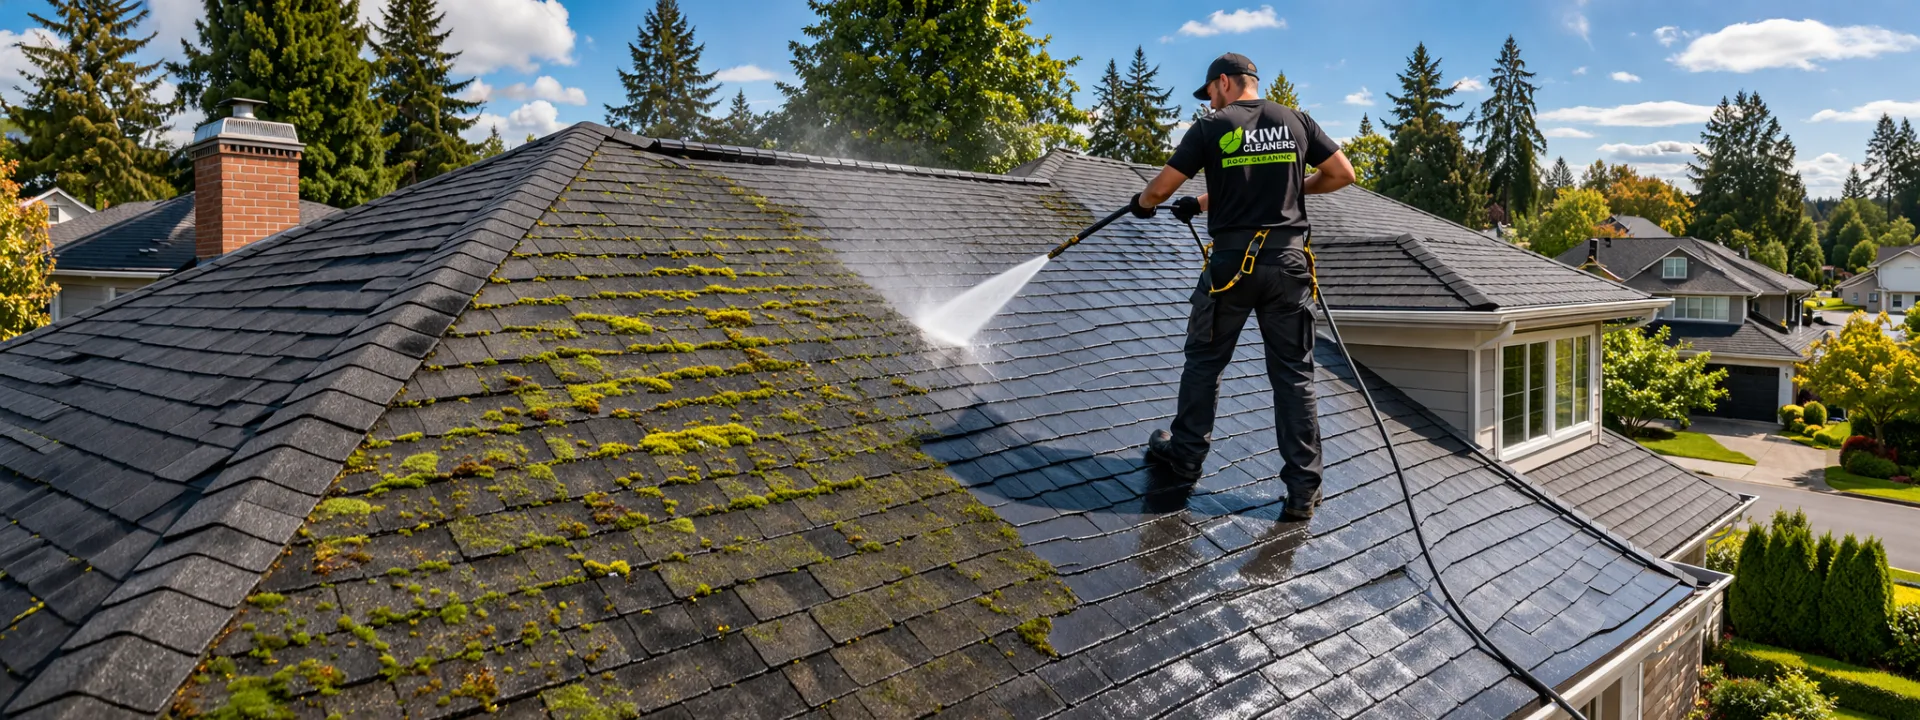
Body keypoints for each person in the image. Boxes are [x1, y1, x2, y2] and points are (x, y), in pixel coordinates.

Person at [1133, 52, 1355, 521]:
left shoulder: (1211, 128)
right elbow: (1341, 174)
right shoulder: (1296, 121)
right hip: (1288, 266)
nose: (1210, 102)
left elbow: (1157, 191)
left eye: (1210, 92)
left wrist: (1143, 202)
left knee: (1205, 360)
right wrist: (1209, 201)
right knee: (1294, 376)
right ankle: (1302, 490)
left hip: (1232, 266)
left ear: (1225, 83)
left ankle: (1186, 457)